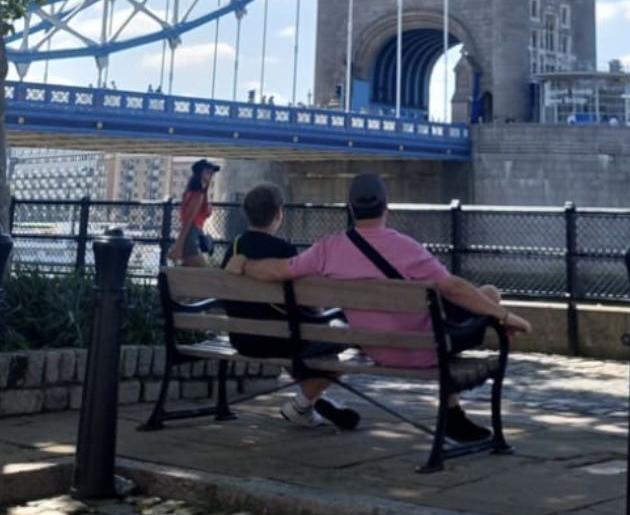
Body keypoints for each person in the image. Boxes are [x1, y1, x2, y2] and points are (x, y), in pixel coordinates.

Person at [226, 173, 532, 443]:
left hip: (377, 349)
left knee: (451, 315)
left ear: (350, 209)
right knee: (487, 294)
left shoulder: (329, 248)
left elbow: (282, 270)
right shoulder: (408, 248)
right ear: (387, 208)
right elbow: (452, 288)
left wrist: (245, 265)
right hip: (426, 348)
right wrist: (504, 316)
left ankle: (453, 414)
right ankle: (453, 416)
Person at [220, 183, 360, 430]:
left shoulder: (234, 249)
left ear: (247, 213)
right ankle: (302, 403)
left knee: (289, 334)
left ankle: (313, 402)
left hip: (243, 339)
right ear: (278, 213)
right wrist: (323, 316)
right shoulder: (284, 251)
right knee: (341, 345)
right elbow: (310, 304)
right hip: (282, 340)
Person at [167, 158, 220, 267]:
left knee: (189, 270)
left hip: (195, 232)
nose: (211, 175)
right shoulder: (198, 194)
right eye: (208, 172)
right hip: (192, 232)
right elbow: (189, 219)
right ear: (199, 174)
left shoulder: (196, 193)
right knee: (200, 269)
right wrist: (179, 245)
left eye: (212, 173)